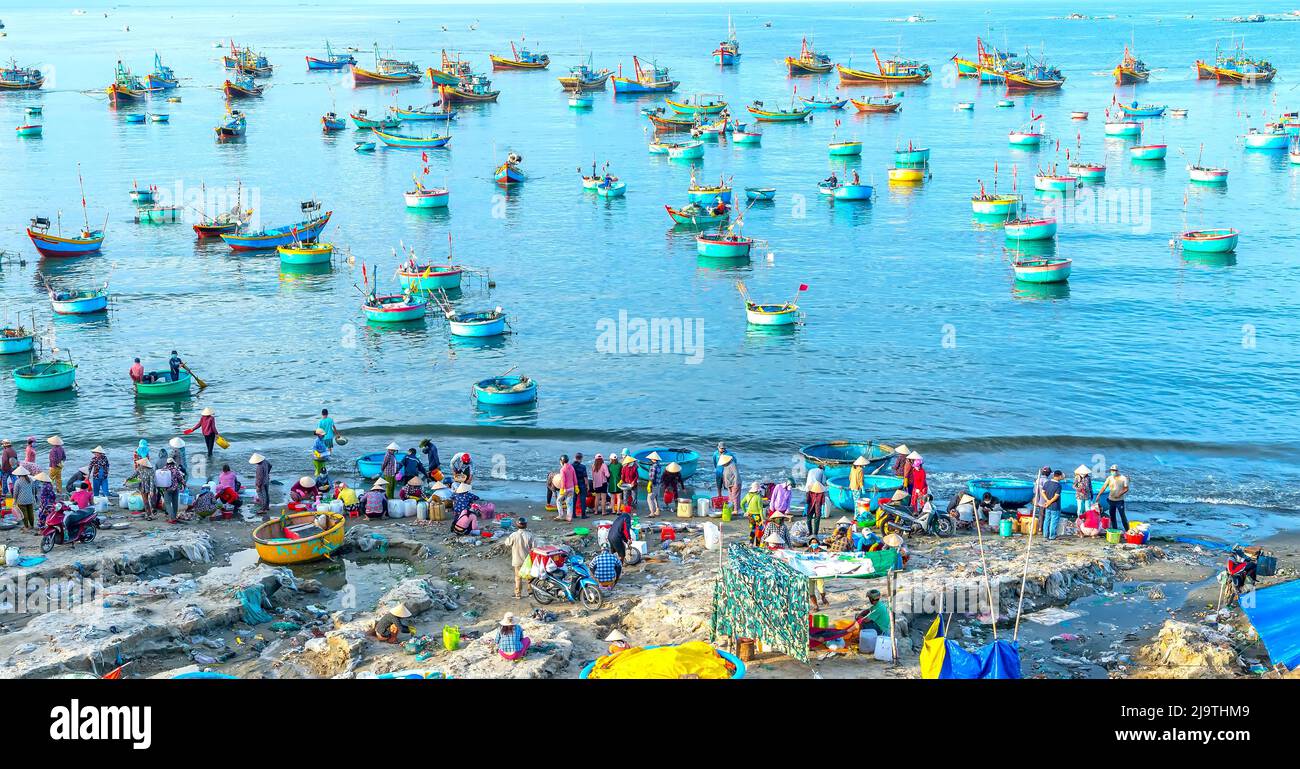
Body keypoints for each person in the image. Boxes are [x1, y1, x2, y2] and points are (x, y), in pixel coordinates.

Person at [505, 517, 536, 598]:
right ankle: (531, 593)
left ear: (517, 525)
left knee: (518, 578)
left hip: (517, 560)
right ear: (526, 525)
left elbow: (507, 543)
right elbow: (534, 548)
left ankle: (518, 594)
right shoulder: (530, 535)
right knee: (529, 577)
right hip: (527, 560)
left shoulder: (513, 535)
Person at [1099, 464, 1130, 531]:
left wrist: (1119, 494)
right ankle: (1115, 530)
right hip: (1111, 500)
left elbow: (1126, 488)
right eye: (1112, 470)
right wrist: (1098, 496)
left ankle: (1127, 531)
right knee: (1112, 517)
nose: (1113, 472)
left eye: (1114, 470)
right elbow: (1104, 487)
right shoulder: (1109, 478)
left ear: (1117, 471)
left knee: (1123, 516)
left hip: (1119, 501)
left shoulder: (1123, 478)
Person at [1040, 470, 1063, 540]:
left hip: (1048, 506)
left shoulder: (1047, 483)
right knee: (1054, 521)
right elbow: (1056, 496)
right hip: (1055, 506)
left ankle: (1045, 535)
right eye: (1061, 476)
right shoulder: (1058, 485)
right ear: (1059, 476)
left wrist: (1047, 501)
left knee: (1047, 520)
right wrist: (1049, 502)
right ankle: (1052, 536)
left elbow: (1042, 492)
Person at [162, 457, 186, 523]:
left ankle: (171, 518)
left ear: (167, 463)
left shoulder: (164, 470)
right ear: (173, 463)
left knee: (167, 503)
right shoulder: (176, 470)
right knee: (175, 503)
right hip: (175, 488)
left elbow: (160, 480)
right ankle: (174, 517)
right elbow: (181, 479)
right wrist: (184, 485)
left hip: (167, 488)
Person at [554, 455, 577, 522]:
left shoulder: (563, 469)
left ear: (562, 461)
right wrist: (576, 486)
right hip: (572, 488)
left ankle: (561, 515)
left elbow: (563, 480)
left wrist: (562, 488)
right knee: (569, 503)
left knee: (558, 501)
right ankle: (569, 517)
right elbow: (574, 478)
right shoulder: (571, 467)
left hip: (565, 488)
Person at [250, 453, 272, 517]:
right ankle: (267, 506)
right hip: (266, 480)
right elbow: (270, 465)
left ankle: (263, 509)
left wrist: (258, 486)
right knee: (266, 494)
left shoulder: (259, 467)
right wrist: (267, 473)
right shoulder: (265, 461)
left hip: (262, 482)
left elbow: (259, 478)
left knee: (262, 495)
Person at [643, 452, 663, 517]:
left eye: (651, 459)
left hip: (653, 484)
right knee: (655, 497)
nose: (650, 460)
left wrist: (649, 484)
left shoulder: (653, 466)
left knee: (649, 498)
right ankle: (657, 511)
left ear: (653, 459)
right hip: (658, 484)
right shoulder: (659, 465)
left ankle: (652, 513)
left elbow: (652, 476)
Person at [572, 452, 589, 519]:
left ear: (575, 458)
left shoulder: (571, 466)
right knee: (583, 499)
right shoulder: (583, 467)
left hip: (574, 484)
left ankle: (573, 514)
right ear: (581, 458)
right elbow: (585, 477)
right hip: (581, 483)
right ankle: (583, 515)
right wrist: (587, 485)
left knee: (574, 499)